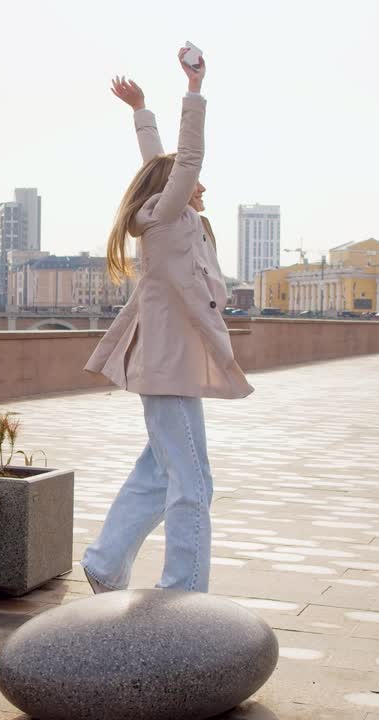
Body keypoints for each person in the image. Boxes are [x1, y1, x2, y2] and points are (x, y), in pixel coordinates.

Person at [80, 47, 254, 595]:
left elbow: (159, 161)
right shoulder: (168, 213)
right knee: (193, 482)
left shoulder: (167, 215)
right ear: (173, 186)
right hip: (170, 364)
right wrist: (195, 89)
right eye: (188, 179)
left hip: (169, 363)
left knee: (159, 472)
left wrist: (141, 111)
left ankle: (107, 563)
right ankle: (184, 591)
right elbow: (183, 161)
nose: (200, 184)